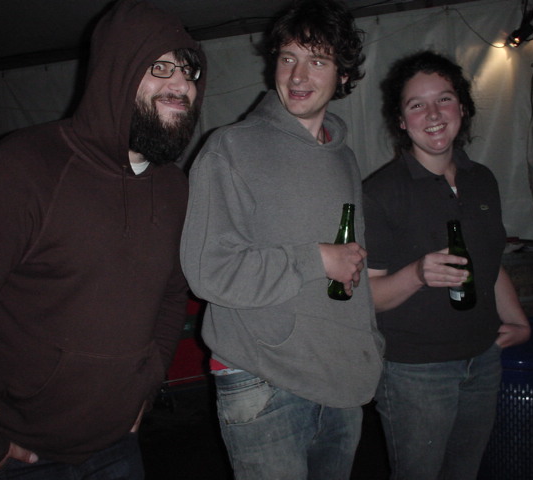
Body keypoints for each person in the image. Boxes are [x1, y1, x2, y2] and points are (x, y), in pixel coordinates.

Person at [0, 0, 206, 477]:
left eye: (189, 70)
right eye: (160, 66)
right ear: (115, 70)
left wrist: (145, 387)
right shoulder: (19, 170)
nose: (182, 85)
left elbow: (170, 295)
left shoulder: (174, 187)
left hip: (117, 447)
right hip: (15, 452)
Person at [180, 1, 383, 479]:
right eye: (288, 57)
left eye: (318, 60)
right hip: (263, 380)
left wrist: (369, 345)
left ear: (344, 75)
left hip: (339, 379)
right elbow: (208, 270)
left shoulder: (344, 158)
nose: (297, 75)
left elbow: (353, 268)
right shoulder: (230, 148)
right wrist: (316, 260)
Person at [363, 50, 530, 480]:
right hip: (416, 371)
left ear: (463, 108)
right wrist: (418, 274)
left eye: (444, 99)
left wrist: (518, 320)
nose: (433, 114)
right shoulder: (379, 192)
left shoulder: (482, 179)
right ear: (401, 121)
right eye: (416, 104)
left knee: (465, 472)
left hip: (484, 358)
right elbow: (366, 297)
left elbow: (490, 262)